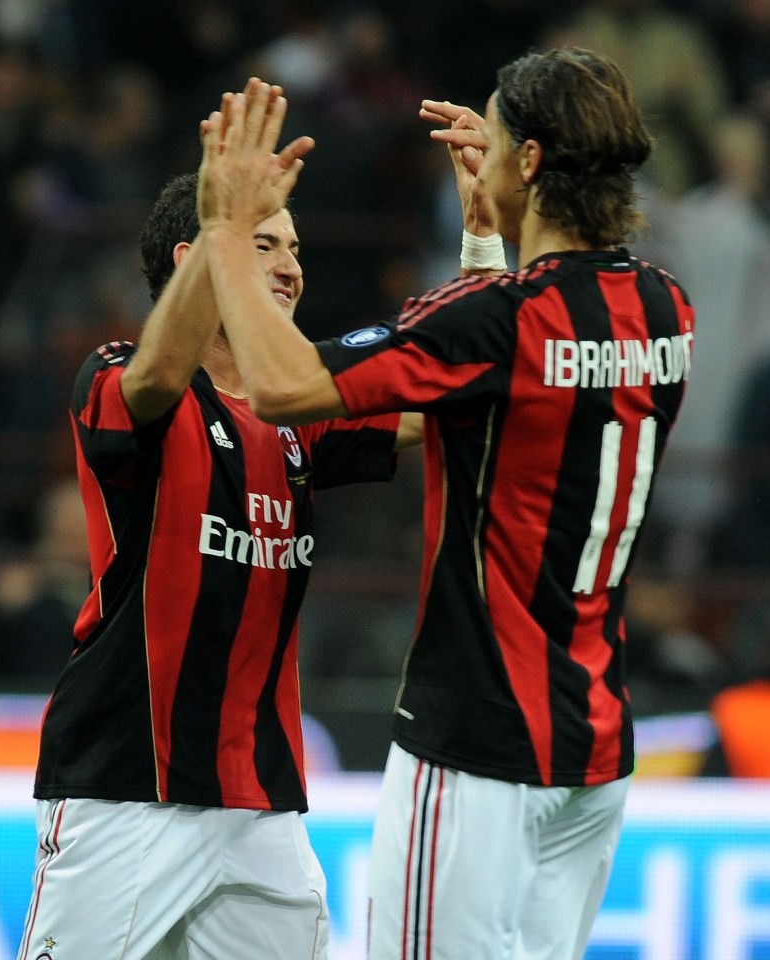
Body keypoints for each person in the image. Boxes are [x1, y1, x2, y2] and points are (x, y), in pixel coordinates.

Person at [194, 48, 694, 960]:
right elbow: (509, 387)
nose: (481, 155)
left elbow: (282, 383)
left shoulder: (495, 320)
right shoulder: (664, 310)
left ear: (532, 163)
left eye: (495, 140)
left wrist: (229, 229)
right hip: (591, 752)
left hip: (475, 743)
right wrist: (485, 249)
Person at [16, 136, 423, 957]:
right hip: (125, 788)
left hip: (259, 805)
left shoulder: (300, 413)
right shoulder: (119, 371)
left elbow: (442, 403)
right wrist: (220, 232)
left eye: (294, 249)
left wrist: (485, 244)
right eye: (263, 242)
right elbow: (158, 379)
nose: (290, 267)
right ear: (193, 254)